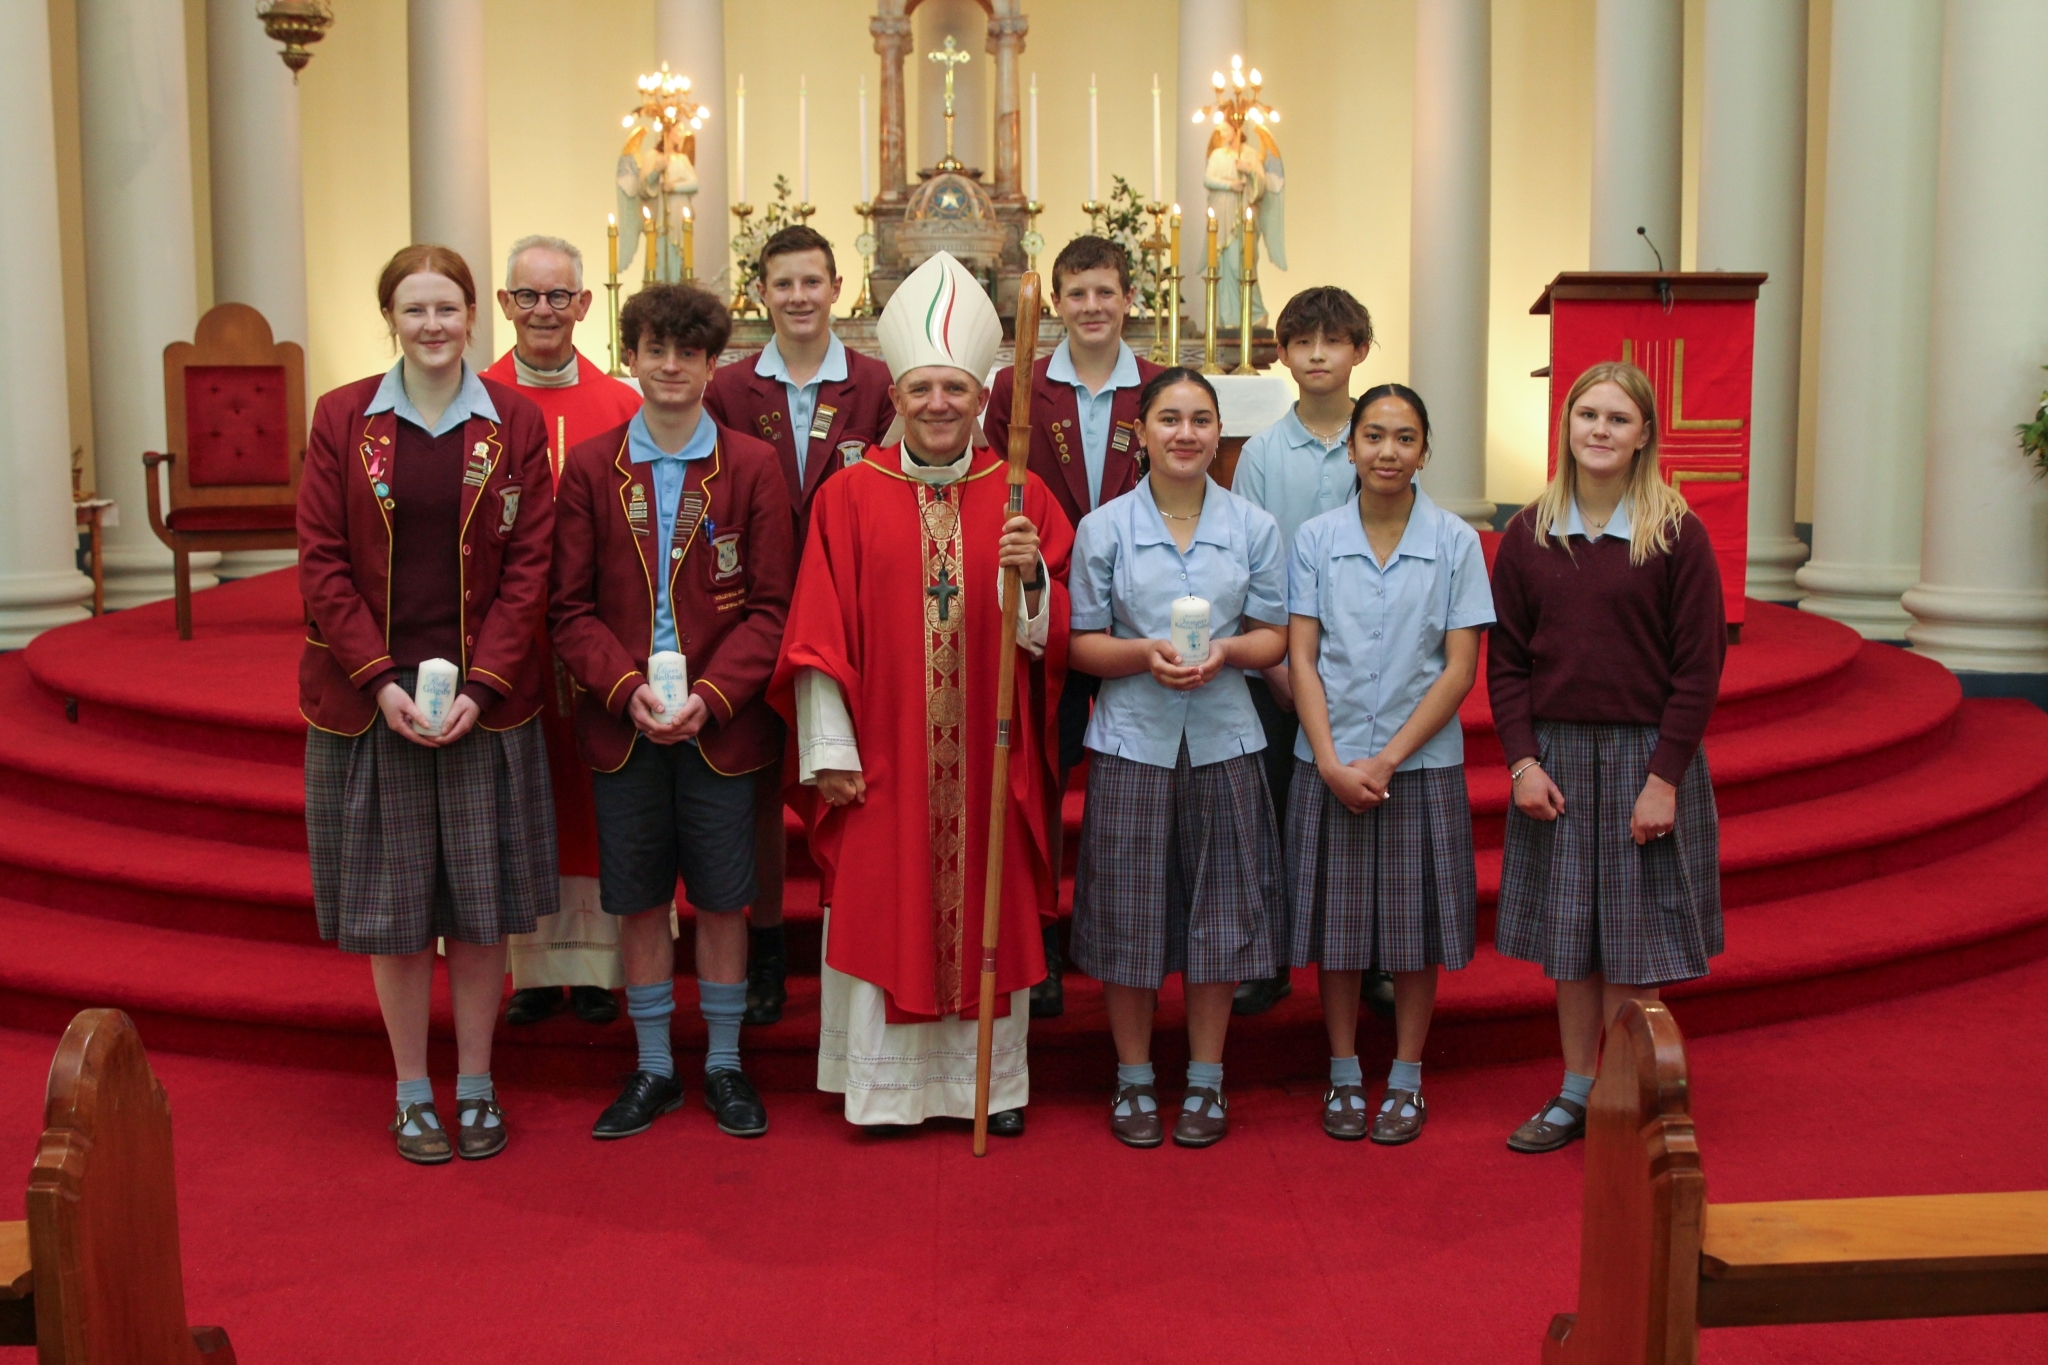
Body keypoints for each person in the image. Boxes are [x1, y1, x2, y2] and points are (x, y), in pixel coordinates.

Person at [768, 251, 1070, 1134]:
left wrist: (1034, 583)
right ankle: (884, 1090)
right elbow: (817, 633)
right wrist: (829, 753)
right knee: (884, 893)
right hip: (885, 757)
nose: (939, 404)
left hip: (985, 756)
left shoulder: (1021, 496)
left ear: (983, 400)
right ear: (894, 397)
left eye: (956, 389)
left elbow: (1049, 637)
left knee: (989, 894)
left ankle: (994, 1086)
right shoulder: (849, 497)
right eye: (921, 389)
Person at [298, 244, 556, 1164]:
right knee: (398, 912)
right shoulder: (342, 418)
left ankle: (478, 1080)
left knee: (480, 910)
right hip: (374, 704)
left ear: (473, 314)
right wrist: (381, 679)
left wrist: (483, 687)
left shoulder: (516, 423)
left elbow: (532, 569)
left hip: (486, 703)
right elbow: (322, 563)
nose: (434, 326)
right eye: (415, 310)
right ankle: (413, 1087)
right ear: (391, 319)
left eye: (447, 308)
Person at [548, 283, 795, 1141]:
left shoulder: (753, 467)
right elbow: (569, 610)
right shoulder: (588, 466)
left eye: (688, 353)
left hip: (721, 725)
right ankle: (654, 1067)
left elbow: (772, 608)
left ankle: (723, 1064)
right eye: (656, 350)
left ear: (711, 363)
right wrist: (629, 692)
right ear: (632, 358)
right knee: (641, 900)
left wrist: (708, 698)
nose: (671, 368)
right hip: (625, 723)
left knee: (725, 901)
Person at [1489, 360, 1725, 1154]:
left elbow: (1698, 670)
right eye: (1587, 414)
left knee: (1631, 940)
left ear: (1644, 436)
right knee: (1570, 942)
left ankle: (1633, 1091)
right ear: (1566, 427)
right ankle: (1575, 1090)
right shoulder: (1529, 533)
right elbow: (1508, 663)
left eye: (1618, 419)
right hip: (1556, 757)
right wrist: (1522, 762)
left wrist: (1664, 779)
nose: (1599, 429)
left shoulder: (1675, 534)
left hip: (1642, 761)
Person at [1067, 367, 1288, 1149]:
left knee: (1220, 912)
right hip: (1134, 742)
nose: (1185, 433)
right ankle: (1132, 1079)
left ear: (1218, 431)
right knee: (1129, 912)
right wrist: (1142, 655)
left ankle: (1204, 1079)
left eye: (1200, 419)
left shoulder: (1254, 526)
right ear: (1143, 432)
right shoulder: (1105, 528)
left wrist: (1227, 649)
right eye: (1169, 418)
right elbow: (1081, 643)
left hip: (1226, 737)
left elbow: (1274, 636)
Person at [1285, 385, 1492, 1143]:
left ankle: (1406, 1073)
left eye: (1405, 438)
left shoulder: (1456, 541)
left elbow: (1459, 667)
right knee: (1338, 930)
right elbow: (1300, 657)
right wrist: (1335, 762)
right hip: (1327, 759)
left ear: (1425, 451)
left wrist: (1390, 759)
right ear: (1351, 447)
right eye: (1373, 435)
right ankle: (1343, 1068)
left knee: (1415, 931)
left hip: (1421, 765)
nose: (1387, 452)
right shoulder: (1314, 538)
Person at [705, 224, 895, 1027]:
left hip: (853, 618)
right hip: (751, 613)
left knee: (849, 784)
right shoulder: (728, 388)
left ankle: (849, 943)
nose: (798, 298)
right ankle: (768, 946)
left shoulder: (881, 383)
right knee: (753, 789)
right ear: (760, 293)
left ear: (839, 288)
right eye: (782, 284)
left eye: (812, 282)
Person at [985, 234, 1164, 1018]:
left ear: (1129, 299)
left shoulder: (1159, 387)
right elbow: (996, 489)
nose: (1092, 307)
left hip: (1139, 617)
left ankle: (1134, 927)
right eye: (1077, 294)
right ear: (1056, 303)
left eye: (1106, 292)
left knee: (1139, 784)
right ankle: (1043, 936)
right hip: (1042, 610)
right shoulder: (1014, 390)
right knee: (1041, 781)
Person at [482, 234, 644, 1030]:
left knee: (591, 791)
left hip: (596, 634)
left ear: (584, 305)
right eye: (527, 296)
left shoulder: (624, 405)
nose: (542, 310)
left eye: (558, 296)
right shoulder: (473, 398)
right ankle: (530, 973)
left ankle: (595, 973)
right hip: (501, 640)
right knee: (521, 792)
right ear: (505, 304)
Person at [1230, 285, 1378, 1017]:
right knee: (1273, 811)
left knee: (1365, 815)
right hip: (1281, 664)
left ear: (1360, 351)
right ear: (1283, 355)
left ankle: (1374, 955)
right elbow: (1253, 561)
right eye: (1302, 342)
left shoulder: (1380, 435)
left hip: (1367, 665)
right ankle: (1270, 954)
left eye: (1333, 341)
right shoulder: (1261, 452)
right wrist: (1279, 664)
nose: (1317, 354)